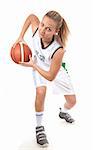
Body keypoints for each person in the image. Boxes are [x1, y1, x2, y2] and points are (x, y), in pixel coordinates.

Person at [13, 10, 76, 147]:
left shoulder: (58, 50)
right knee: (40, 92)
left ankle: (63, 112)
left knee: (72, 102)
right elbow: (31, 17)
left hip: (55, 71)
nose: (42, 30)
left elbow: (51, 76)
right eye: (42, 25)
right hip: (38, 66)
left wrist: (33, 66)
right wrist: (20, 37)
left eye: (48, 29)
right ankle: (39, 128)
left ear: (56, 31)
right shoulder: (37, 31)